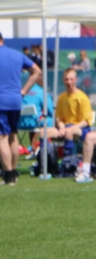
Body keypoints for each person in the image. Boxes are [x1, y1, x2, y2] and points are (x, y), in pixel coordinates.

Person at [0, 32, 41, 185]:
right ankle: (14, 173)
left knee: (1, 138)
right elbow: (37, 71)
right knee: (13, 135)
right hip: (16, 100)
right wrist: (23, 91)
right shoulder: (17, 55)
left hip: (1, 100)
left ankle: (8, 175)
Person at [54, 68, 93, 156]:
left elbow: (86, 122)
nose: (69, 82)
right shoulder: (61, 98)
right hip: (65, 127)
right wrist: (62, 127)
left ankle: (69, 161)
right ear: (63, 80)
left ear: (76, 80)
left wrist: (70, 129)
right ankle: (46, 163)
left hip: (81, 128)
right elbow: (59, 119)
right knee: (43, 132)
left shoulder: (83, 97)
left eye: (71, 79)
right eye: (67, 79)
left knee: (69, 132)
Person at [18, 74, 54, 154]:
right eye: (42, 77)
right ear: (38, 79)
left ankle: (33, 147)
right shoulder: (42, 92)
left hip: (20, 123)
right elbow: (51, 110)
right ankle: (49, 147)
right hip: (36, 123)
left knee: (36, 117)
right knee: (53, 120)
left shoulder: (24, 91)